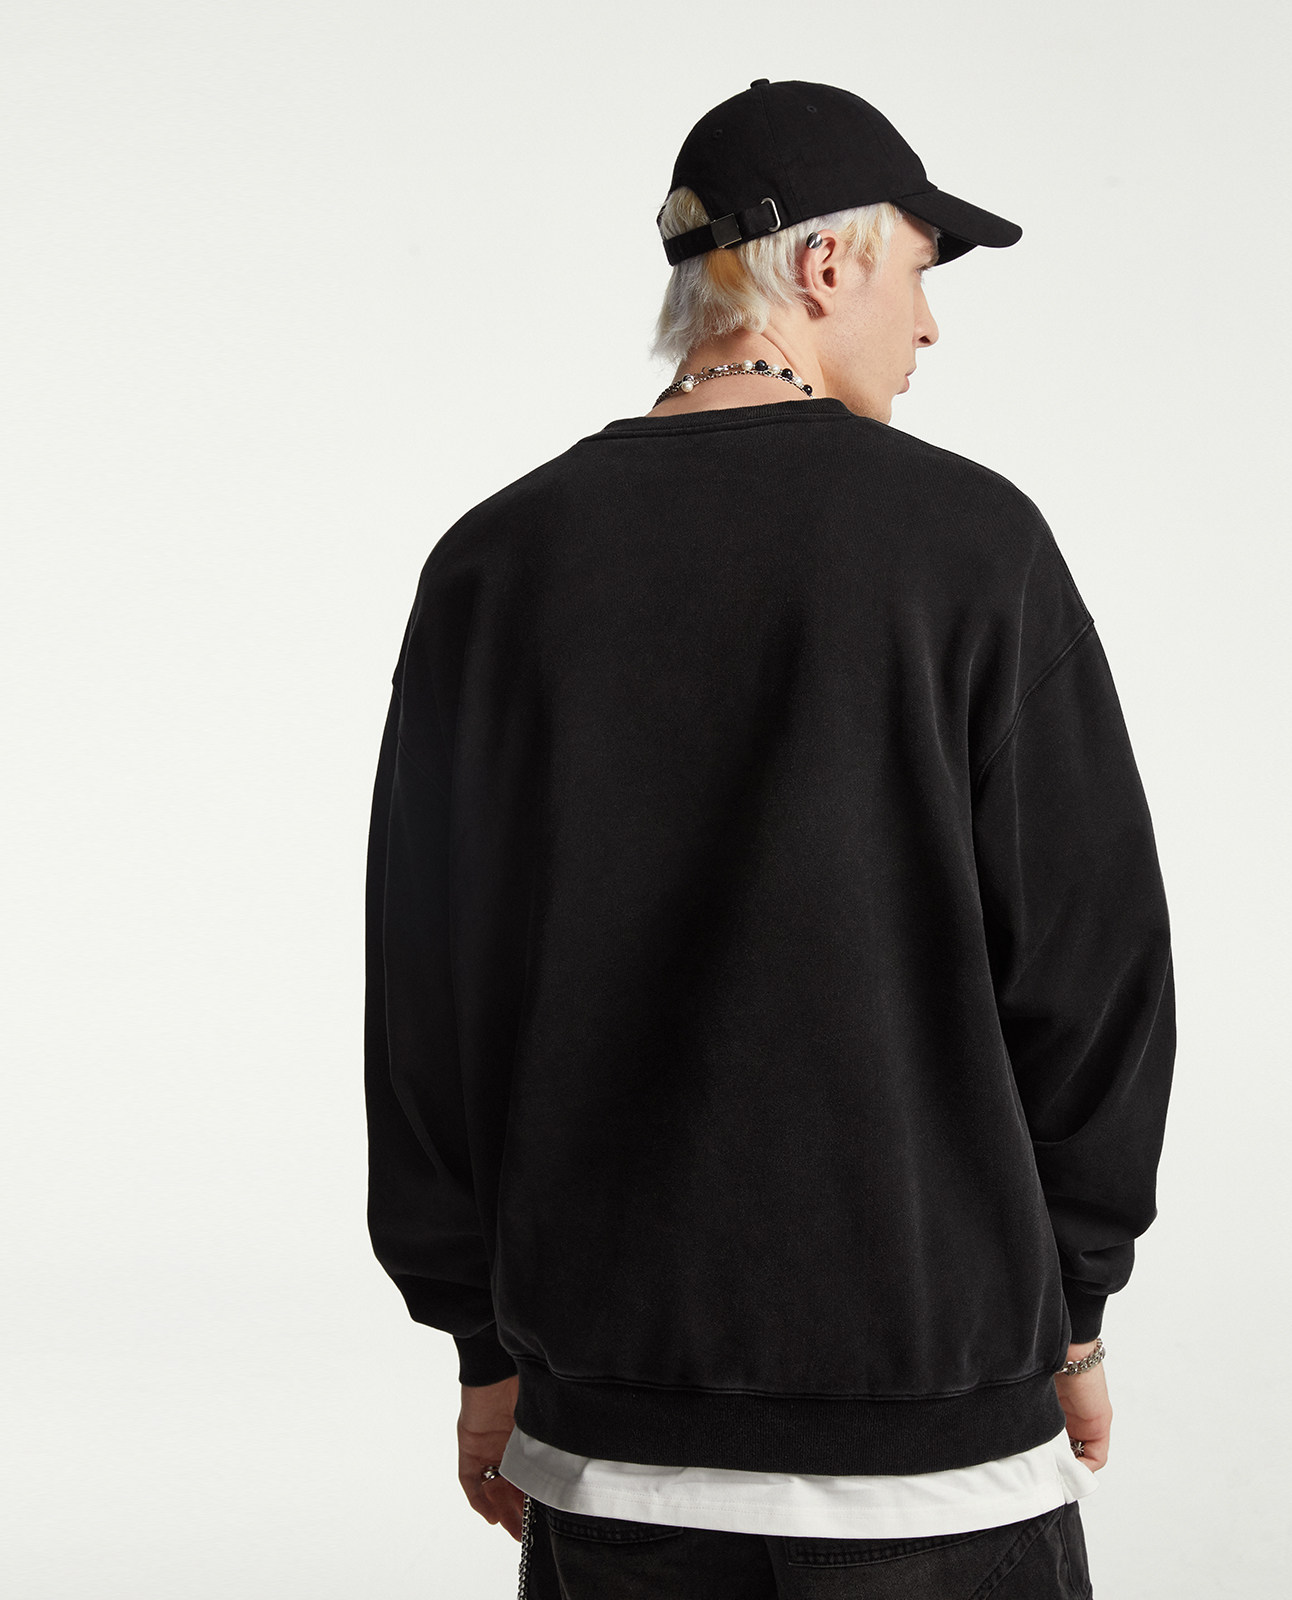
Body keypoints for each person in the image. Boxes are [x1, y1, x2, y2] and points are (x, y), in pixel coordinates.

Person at [364, 76, 1177, 1600]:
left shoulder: (494, 565)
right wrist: (1074, 1312)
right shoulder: (972, 548)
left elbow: (428, 1008)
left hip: (613, 1453)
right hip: (937, 1458)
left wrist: (481, 1345)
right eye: (921, 273)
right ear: (824, 262)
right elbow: (1092, 974)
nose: (929, 328)